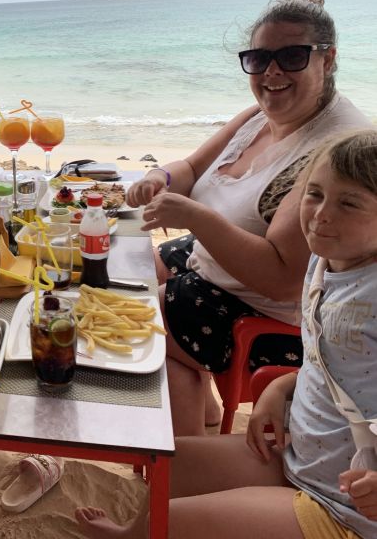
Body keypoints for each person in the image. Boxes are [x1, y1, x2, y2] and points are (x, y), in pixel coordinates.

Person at [77, 130, 377, 539]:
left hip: (344, 507)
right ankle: (132, 534)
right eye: (315, 194)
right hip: (299, 453)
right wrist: (282, 391)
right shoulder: (325, 264)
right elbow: (334, 365)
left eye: (349, 203)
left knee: (174, 522)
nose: (322, 214)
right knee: (171, 464)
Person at [126, 0, 372, 435]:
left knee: (132, 315)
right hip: (214, 259)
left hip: (271, 316)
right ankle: (197, 415)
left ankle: (185, 458)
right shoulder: (260, 115)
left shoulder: (334, 149)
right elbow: (193, 166)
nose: (272, 72)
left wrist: (196, 217)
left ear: (328, 59)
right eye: (259, 59)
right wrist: (159, 179)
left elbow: (281, 279)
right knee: (123, 266)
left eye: (292, 56)